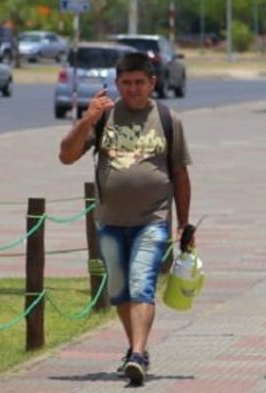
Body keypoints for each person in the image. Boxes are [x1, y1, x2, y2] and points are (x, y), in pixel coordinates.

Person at [58, 52, 193, 386]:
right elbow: (66, 155)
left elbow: (180, 174)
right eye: (126, 83)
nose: (133, 89)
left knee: (141, 284)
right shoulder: (104, 117)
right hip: (109, 220)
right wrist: (88, 119)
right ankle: (137, 350)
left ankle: (136, 354)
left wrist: (184, 223)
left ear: (152, 83)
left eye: (139, 83)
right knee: (119, 291)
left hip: (153, 218)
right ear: (117, 84)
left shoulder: (166, 118)